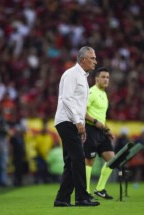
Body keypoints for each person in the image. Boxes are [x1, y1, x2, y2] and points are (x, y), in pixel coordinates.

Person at [53, 46, 99, 207]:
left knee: (71, 161)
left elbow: (78, 104)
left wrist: (82, 124)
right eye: (92, 58)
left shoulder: (82, 76)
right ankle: (82, 197)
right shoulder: (72, 74)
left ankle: (62, 199)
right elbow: (66, 99)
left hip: (71, 121)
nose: (95, 61)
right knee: (78, 158)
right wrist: (77, 121)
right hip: (67, 120)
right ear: (83, 59)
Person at [84, 67, 115, 200]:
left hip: (101, 132)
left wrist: (107, 129)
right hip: (90, 129)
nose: (106, 79)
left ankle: (100, 189)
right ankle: (85, 192)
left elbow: (102, 116)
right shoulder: (91, 92)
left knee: (112, 160)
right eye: (103, 77)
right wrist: (95, 121)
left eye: (107, 77)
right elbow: (81, 112)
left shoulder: (104, 94)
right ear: (96, 78)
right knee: (89, 161)